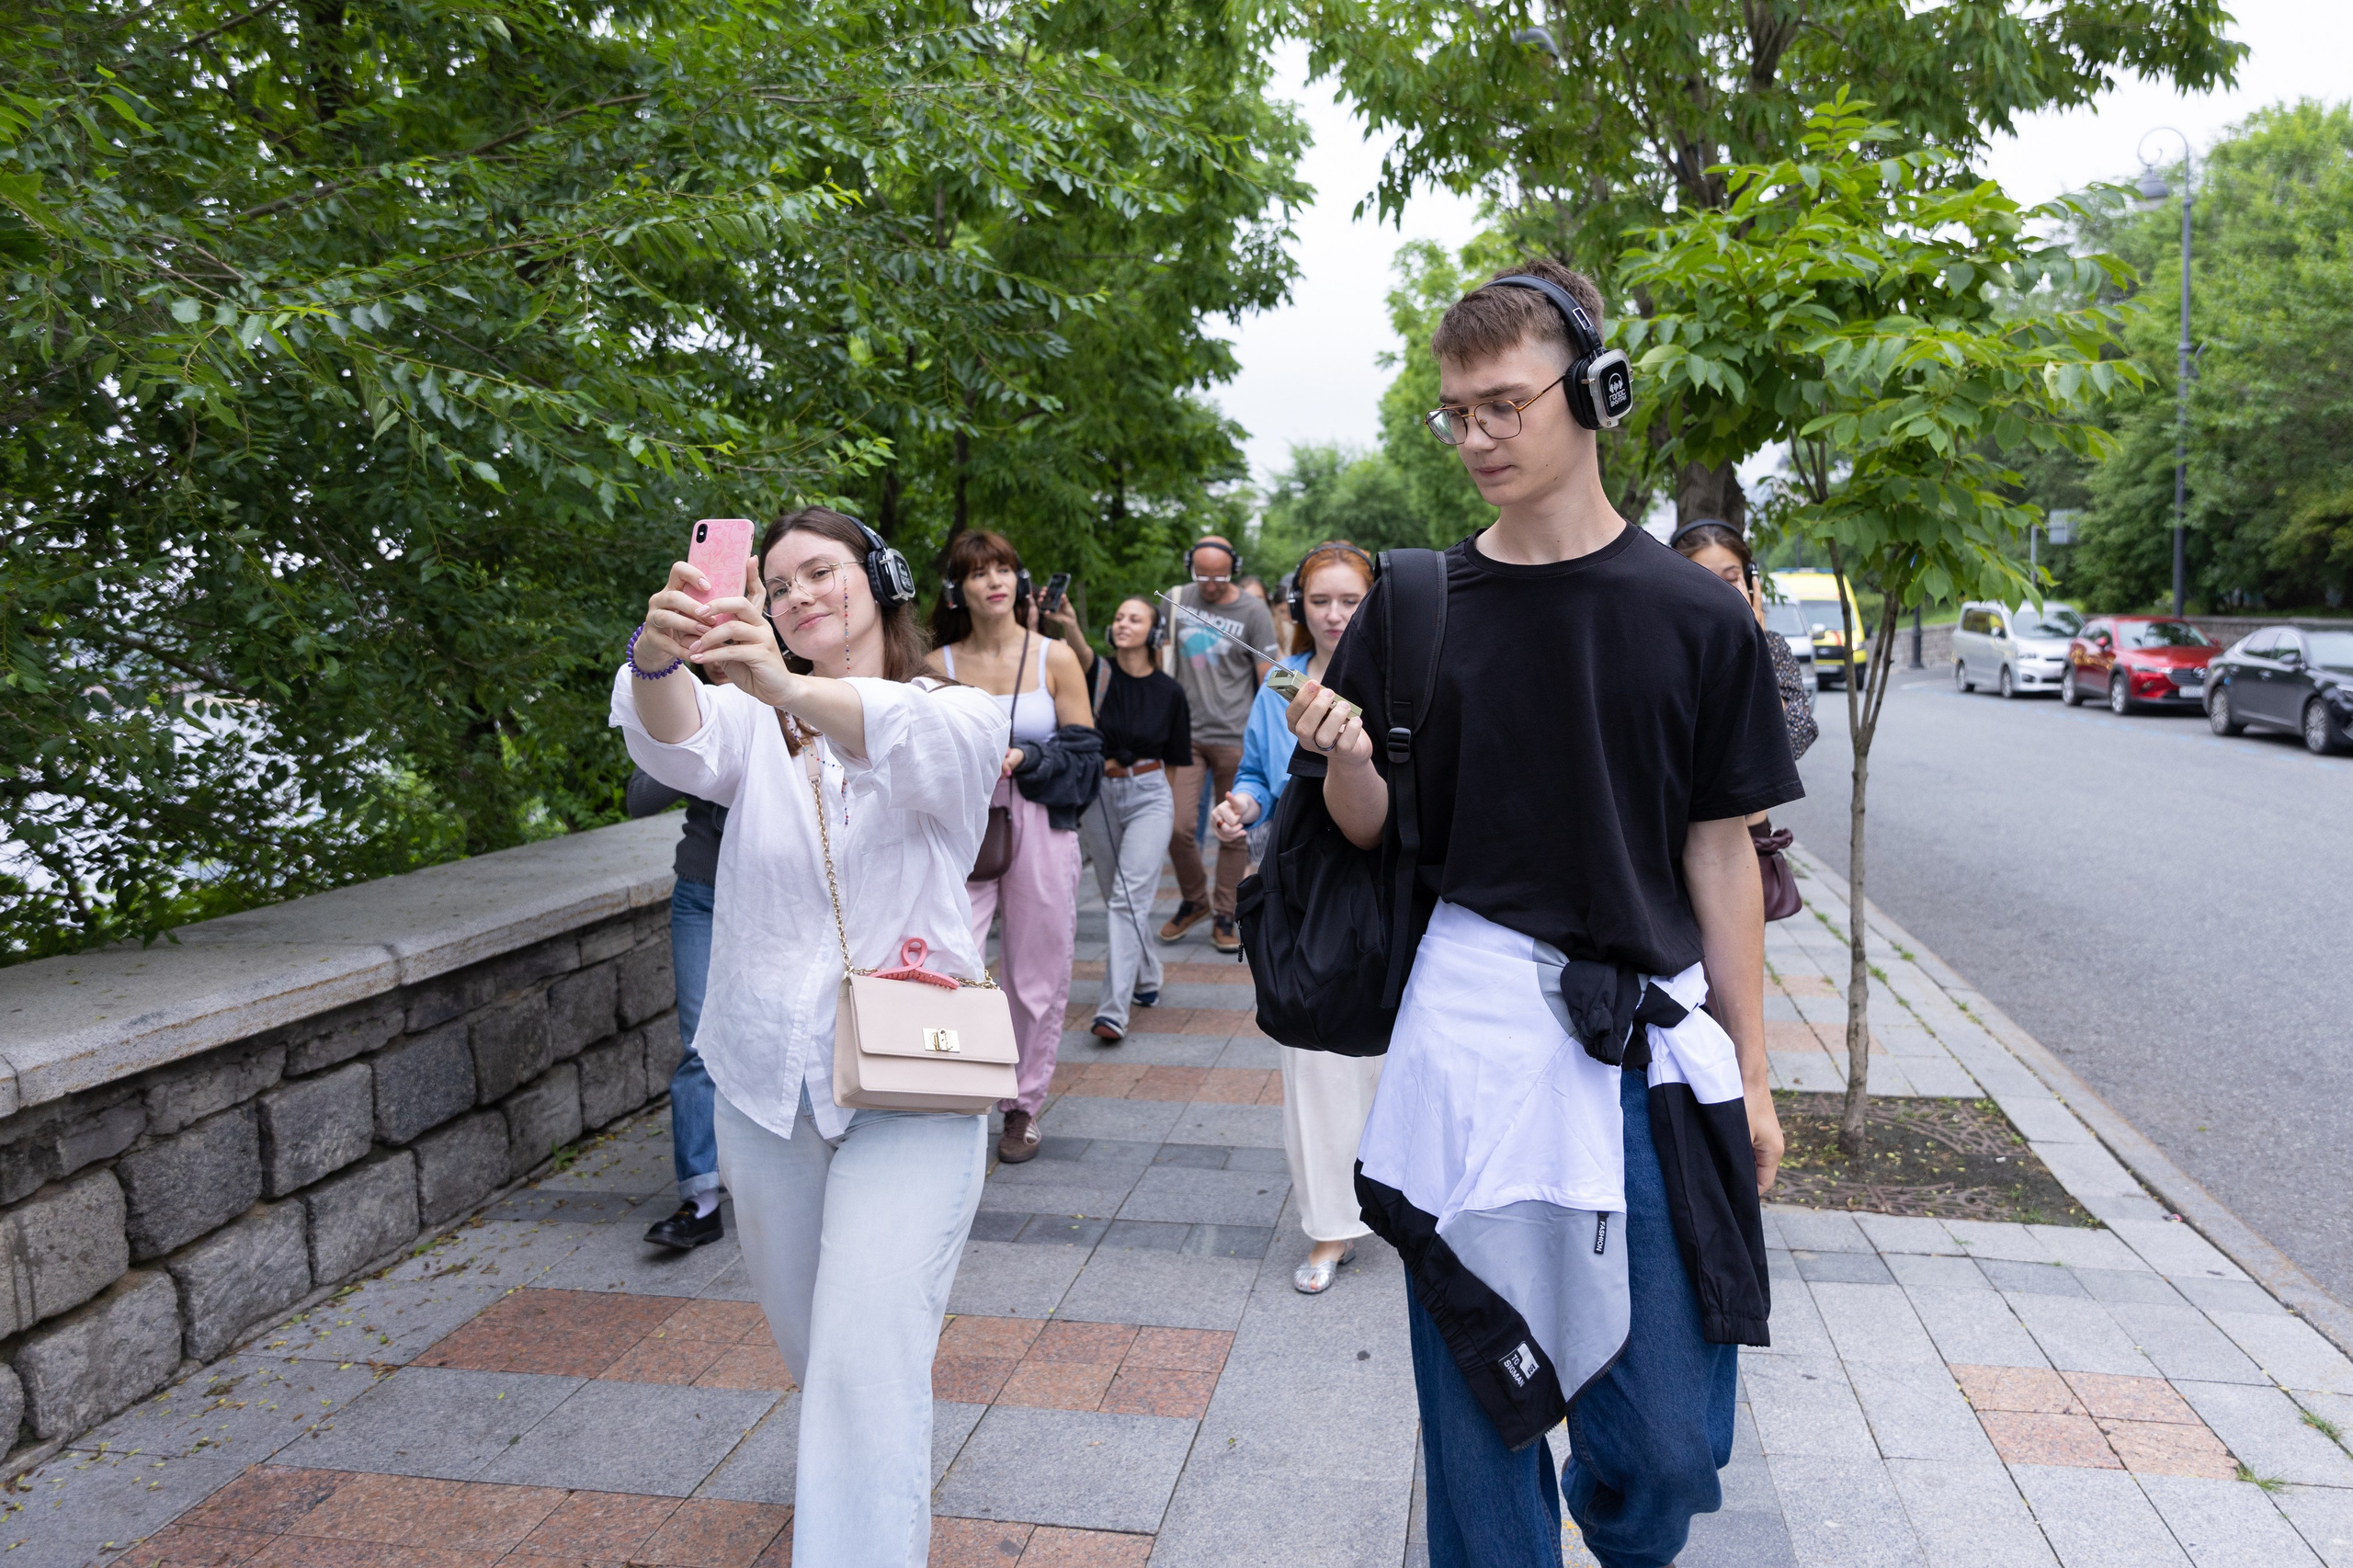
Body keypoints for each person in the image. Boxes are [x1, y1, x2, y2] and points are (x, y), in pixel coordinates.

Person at [1283, 259, 1802, 1568]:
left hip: (1646, 1046)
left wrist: (1753, 1065)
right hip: (1470, 1039)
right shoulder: (1416, 606)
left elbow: (1721, 853)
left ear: (1595, 391)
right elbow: (1371, 832)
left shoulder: (1697, 618)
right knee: (1481, 1411)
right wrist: (1346, 756)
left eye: (1505, 404)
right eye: (1456, 412)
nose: (1476, 436)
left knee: (1670, 1445)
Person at [613, 506, 1004, 1567]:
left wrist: (786, 687)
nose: (797, 597)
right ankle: (867, 1488)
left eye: (819, 572)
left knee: (864, 1354)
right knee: (816, 1347)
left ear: (877, 578)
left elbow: (912, 743)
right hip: (763, 1078)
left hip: (912, 1084)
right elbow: (669, 734)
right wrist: (656, 654)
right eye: (777, 586)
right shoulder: (749, 724)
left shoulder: (954, 711)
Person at [1210, 541, 1383, 1295]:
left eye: (1350, 599)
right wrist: (1240, 807)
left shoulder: (1402, 675)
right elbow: (1256, 774)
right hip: (1304, 885)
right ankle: (1330, 1227)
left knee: (1401, 1051)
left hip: (1396, 878)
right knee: (1313, 1056)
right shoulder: (1281, 683)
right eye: (1321, 601)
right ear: (1297, 607)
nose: (1336, 614)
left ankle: (1410, 1200)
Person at [926, 531, 1097, 1165]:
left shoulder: (1054, 658)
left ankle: (1022, 1105)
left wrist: (1025, 757)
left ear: (1020, 582)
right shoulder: (933, 665)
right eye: (979, 572)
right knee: (951, 960)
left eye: (1004, 568)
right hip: (961, 824)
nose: (994, 581)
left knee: (1035, 975)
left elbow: (1086, 754)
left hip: (1040, 820)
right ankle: (955, 1087)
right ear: (958, 588)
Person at [1044, 596, 1192, 1042]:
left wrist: (1162, 803)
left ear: (1155, 632)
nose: (1124, 623)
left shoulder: (1171, 691)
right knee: (1119, 896)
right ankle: (1149, 972)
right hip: (1101, 795)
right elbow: (1082, 653)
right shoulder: (1098, 674)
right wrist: (1069, 622)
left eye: (1136, 618)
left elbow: (1174, 762)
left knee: (1128, 900)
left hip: (1150, 795)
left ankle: (1113, 1012)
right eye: (1119, 616)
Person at [623, 767, 728, 1248]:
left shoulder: (802, 696)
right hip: (702, 893)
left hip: (788, 891)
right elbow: (639, 798)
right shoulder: (694, 703)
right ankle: (701, 1201)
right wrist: (692, 736)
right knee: (700, 1045)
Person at [1160, 534, 1276, 954]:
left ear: (1235, 569)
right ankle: (1195, 900)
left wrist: (1281, 725)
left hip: (1236, 735)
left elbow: (1267, 673)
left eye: (1220, 576)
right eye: (1202, 575)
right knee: (1176, 826)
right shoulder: (1174, 599)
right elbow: (1162, 660)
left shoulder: (1253, 609)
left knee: (1233, 829)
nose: (1209, 585)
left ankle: (1226, 912)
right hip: (1186, 735)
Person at [1671, 520, 1818, 763]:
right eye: (1702, 579)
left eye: (1730, 579)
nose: (1720, 592)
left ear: (1751, 583)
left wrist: (1755, 650)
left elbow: (1796, 738)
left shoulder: (1772, 648)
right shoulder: (1664, 650)